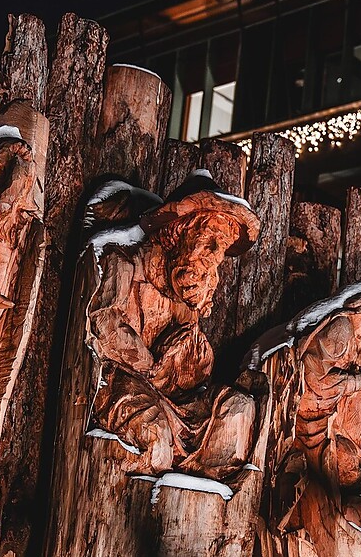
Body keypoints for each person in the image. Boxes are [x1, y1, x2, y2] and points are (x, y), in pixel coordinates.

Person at [85, 173, 260, 480]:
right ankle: (148, 499)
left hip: (176, 401)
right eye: (209, 244)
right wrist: (151, 364)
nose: (213, 262)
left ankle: (205, 492)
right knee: (155, 435)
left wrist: (191, 353)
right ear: (177, 233)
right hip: (121, 386)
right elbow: (105, 324)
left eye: (220, 253)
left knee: (238, 407)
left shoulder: (186, 293)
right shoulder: (125, 264)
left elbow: (192, 376)